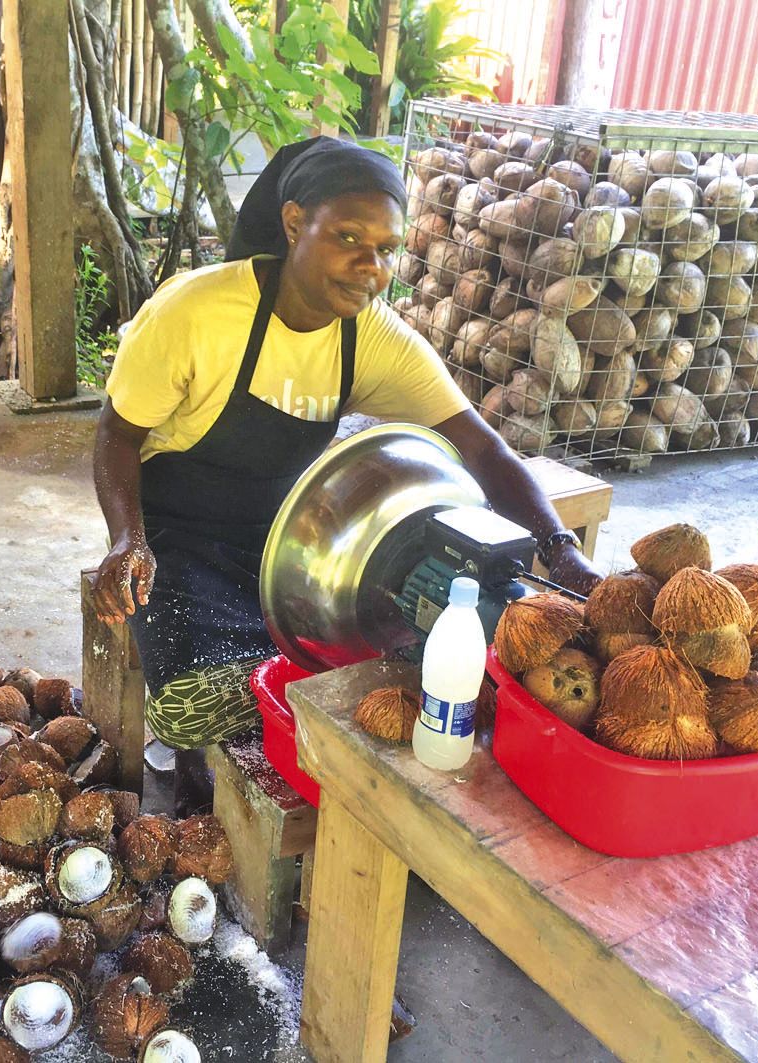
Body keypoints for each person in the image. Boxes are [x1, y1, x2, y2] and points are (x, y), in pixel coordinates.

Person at [91, 137, 602, 812]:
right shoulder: (195, 313)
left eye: (387, 248)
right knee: (190, 705)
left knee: (394, 650)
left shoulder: (370, 336)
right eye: (348, 238)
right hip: (179, 536)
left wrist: (558, 549)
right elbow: (117, 433)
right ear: (295, 222)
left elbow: (482, 452)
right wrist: (128, 539)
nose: (370, 266)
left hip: (292, 534)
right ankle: (196, 783)